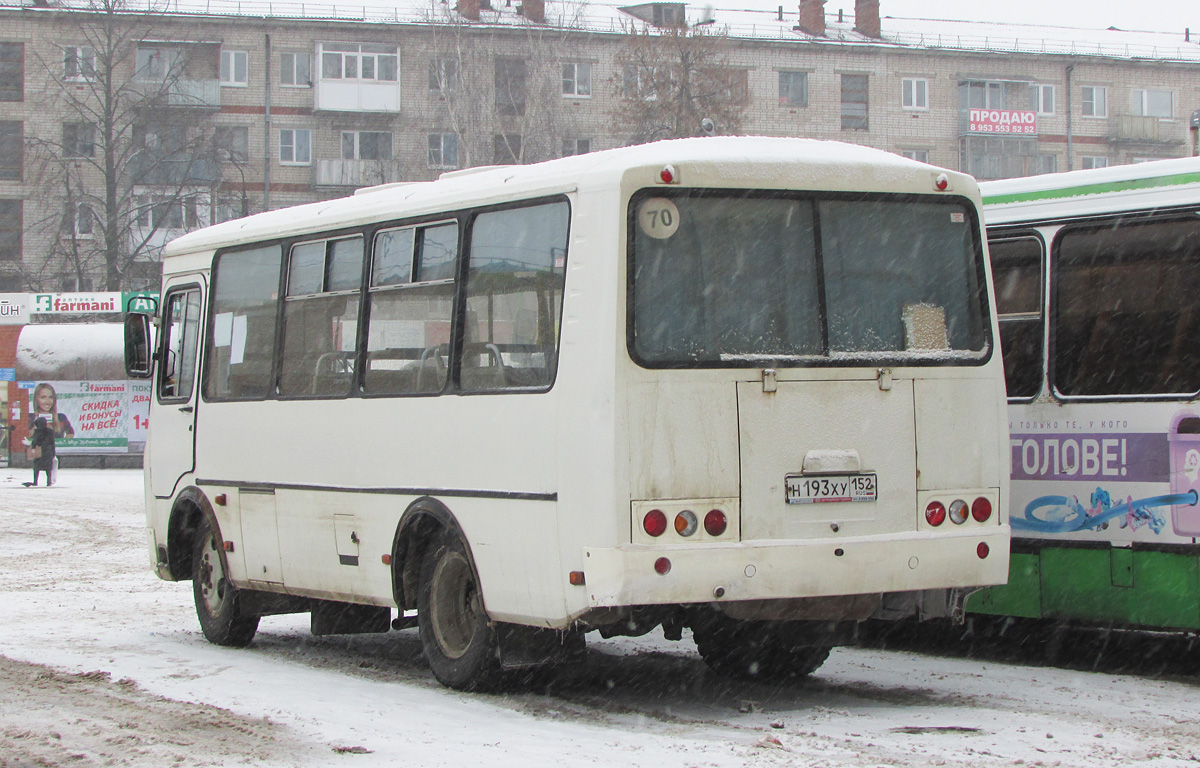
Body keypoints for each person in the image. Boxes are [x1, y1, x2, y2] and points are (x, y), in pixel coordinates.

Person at [30, 382, 72, 485]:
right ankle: (46, 481)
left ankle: (39, 481)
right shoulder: (30, 417)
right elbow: (28, 437)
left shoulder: (61, 417)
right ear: (36, 399)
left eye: (50, 397)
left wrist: (63, 443)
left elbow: (70, 433)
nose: (47, 401)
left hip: (45, 453)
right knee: (44, 468)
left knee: (42, 468)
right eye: (43, 397)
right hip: (45, 452)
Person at [24, 416, 55, 487]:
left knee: (36, 467)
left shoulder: (37, 431)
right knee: (48, 468)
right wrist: (53, 452)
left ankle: (35, 481)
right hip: (48, 451)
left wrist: (32, 447)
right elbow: (52, 442)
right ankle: (49, 482)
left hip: (39, 451)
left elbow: (35, 441)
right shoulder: (50, 431)